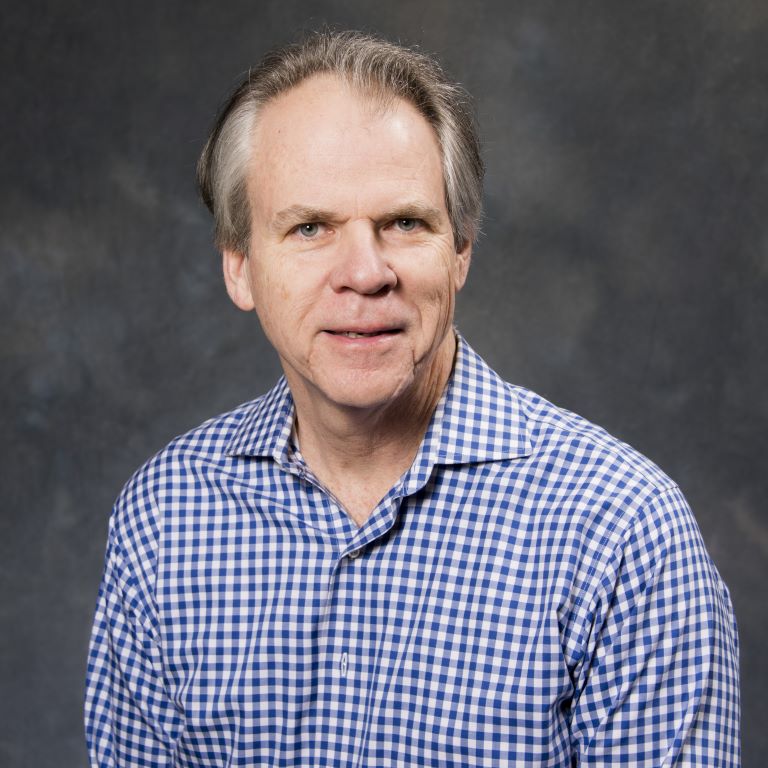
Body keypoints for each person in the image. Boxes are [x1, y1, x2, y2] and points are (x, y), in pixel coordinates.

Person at [84, 30, 740, 767]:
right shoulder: (165, 517)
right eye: (310, 227)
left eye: (404, 223)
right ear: (239, 266)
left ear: (460, 250)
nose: (365, 273)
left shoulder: (622, 532)